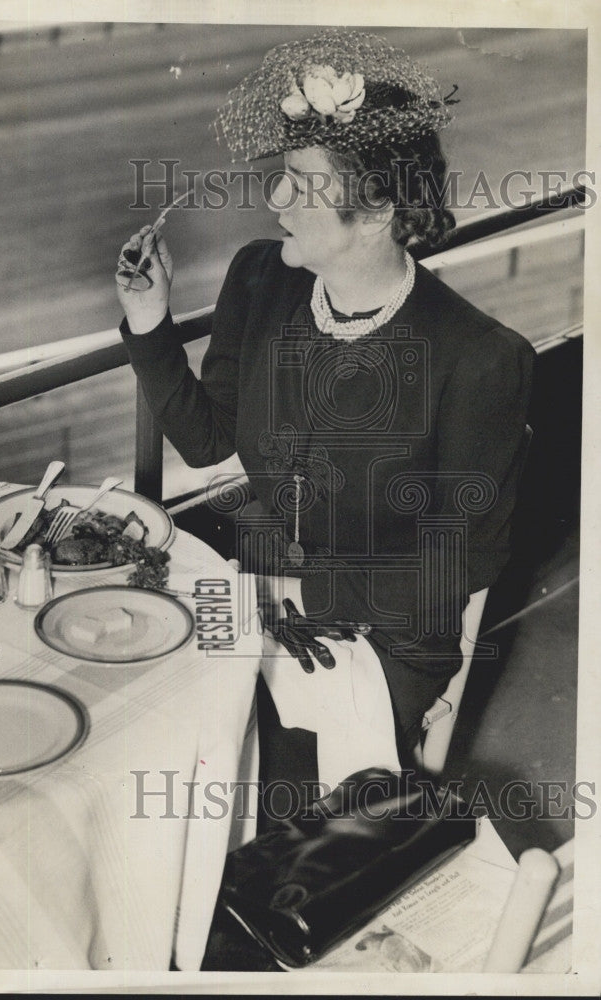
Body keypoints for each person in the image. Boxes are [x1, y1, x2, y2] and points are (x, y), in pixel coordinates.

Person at [115, 28, 535, 820]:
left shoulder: (479, 359)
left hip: (388, 636)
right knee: (144, 717)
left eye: (300, 184)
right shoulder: (261, 278)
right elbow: (210, 441)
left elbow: (458, 571)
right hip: (262, 594)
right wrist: (148, 323)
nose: (275, 200)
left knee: (228, 778)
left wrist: (305, 613)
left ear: (376, 208)